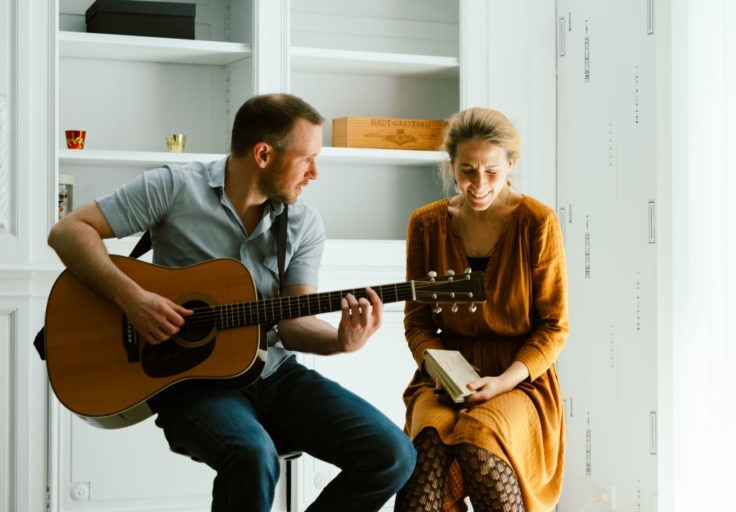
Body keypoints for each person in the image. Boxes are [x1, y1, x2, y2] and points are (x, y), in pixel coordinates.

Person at [47, 93, 416, 511]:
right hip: (191, 384)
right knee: (252, 454)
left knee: (392, 455)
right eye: (306, 158)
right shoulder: (173, 187)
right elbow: (68, 232)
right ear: (263, 154)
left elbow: (294, 323)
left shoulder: (303, 223)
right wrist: (134, 299)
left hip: (275, 375)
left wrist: (341, 342)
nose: (315, 173)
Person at [394, 107, 568, 512]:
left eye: (491, 171)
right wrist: (437, 368)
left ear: (511, 165)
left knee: (480, 443)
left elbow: (554, 327)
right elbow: (417, 321)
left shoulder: (537, 222)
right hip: (443, 376)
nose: (478, 184)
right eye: (467, 170)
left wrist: (503, 382)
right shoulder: (425, 223)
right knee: (426, 453)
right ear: (452, 166)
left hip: (520, 377)